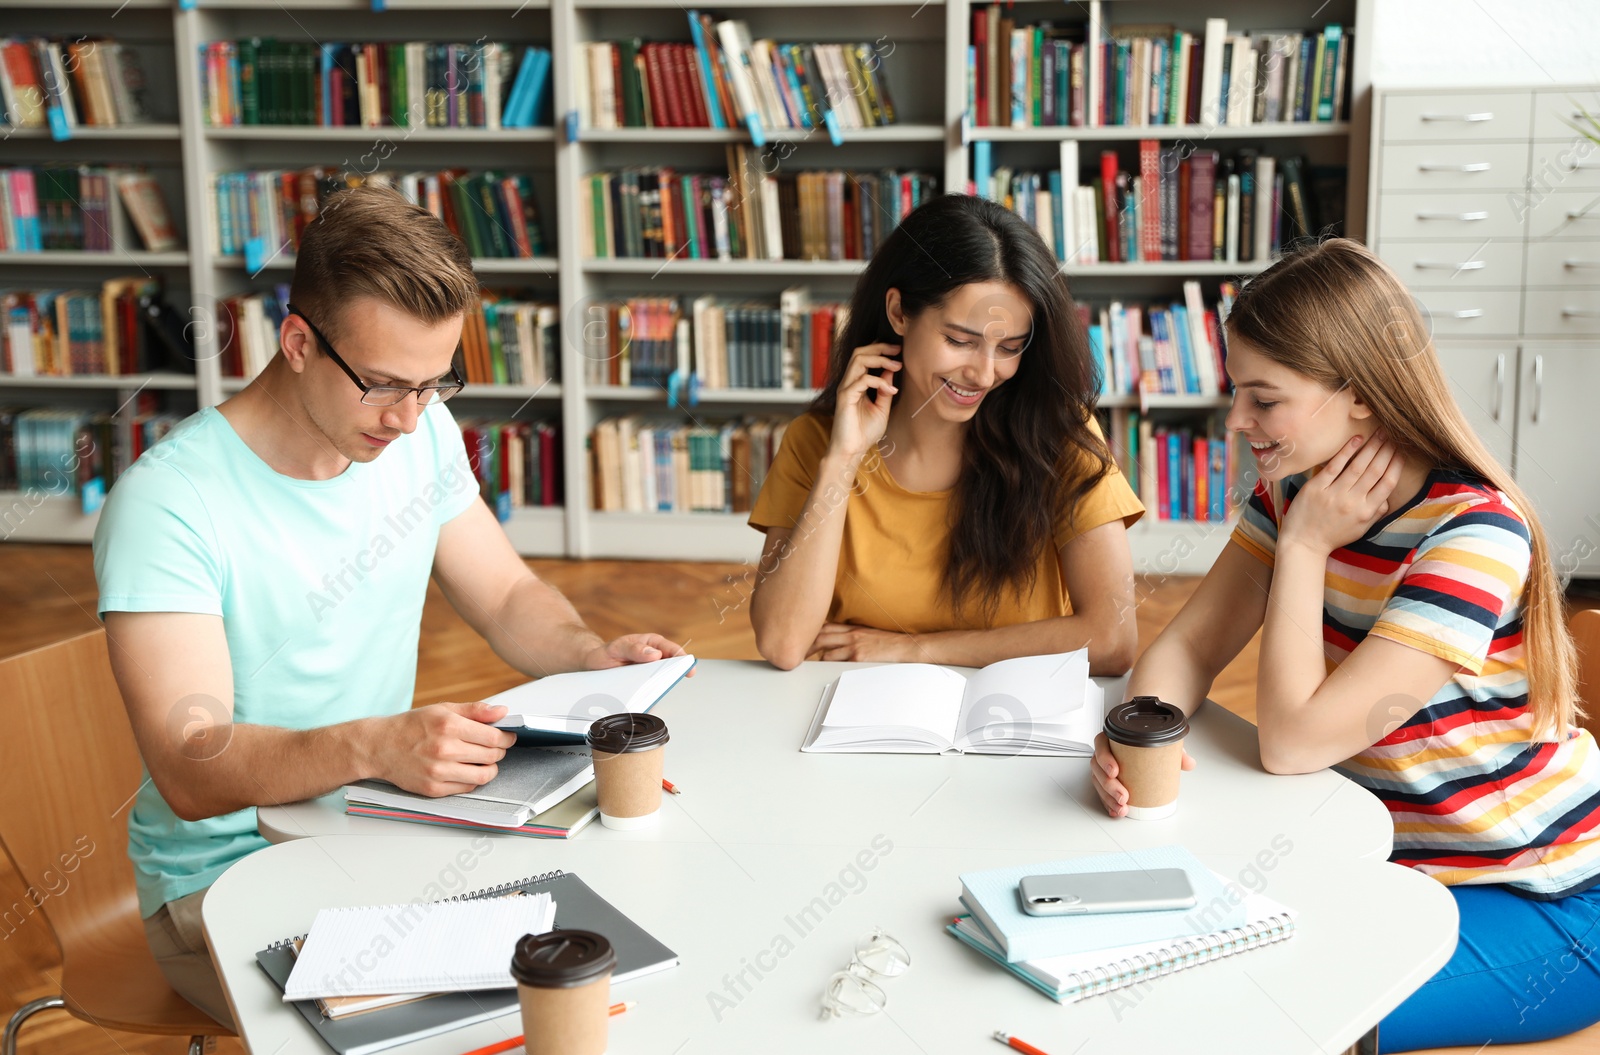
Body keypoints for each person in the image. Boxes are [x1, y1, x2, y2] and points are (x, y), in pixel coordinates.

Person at [92, 185, 687, 1028]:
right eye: (383, 385)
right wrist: (379, 742)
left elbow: (510, 594)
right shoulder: (170, 503)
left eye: (436, 383)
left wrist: (590, 655)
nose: (410, 420)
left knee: (606, 939)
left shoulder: (418, 431)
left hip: (382, 831)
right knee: (494, 1009)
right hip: (224, 883)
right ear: (297, 340)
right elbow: (193, 765)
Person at [1089, 238, 1600, 1051]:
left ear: (1357, 397)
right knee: (1168, 954)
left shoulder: (1474, 532)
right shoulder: (1293, 490)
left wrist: (1303, 548)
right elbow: (1187, 645)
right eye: (1237, 392)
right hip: (1382, 858)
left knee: (1269, 1009)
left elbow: (1293, 743)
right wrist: (1138, 738)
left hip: (1542, 896)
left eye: (1265, 398)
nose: (1237, 420)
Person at [747, 194, 1143, 673]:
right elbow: (783, 643)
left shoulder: (1059, 435)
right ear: (899, 312)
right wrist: (843, 459)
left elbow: (1112, 638)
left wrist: (915, 650)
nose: (983, 372)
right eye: (959, 341)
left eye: (1010, 347)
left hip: (1012, 721)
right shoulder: (815, 442)